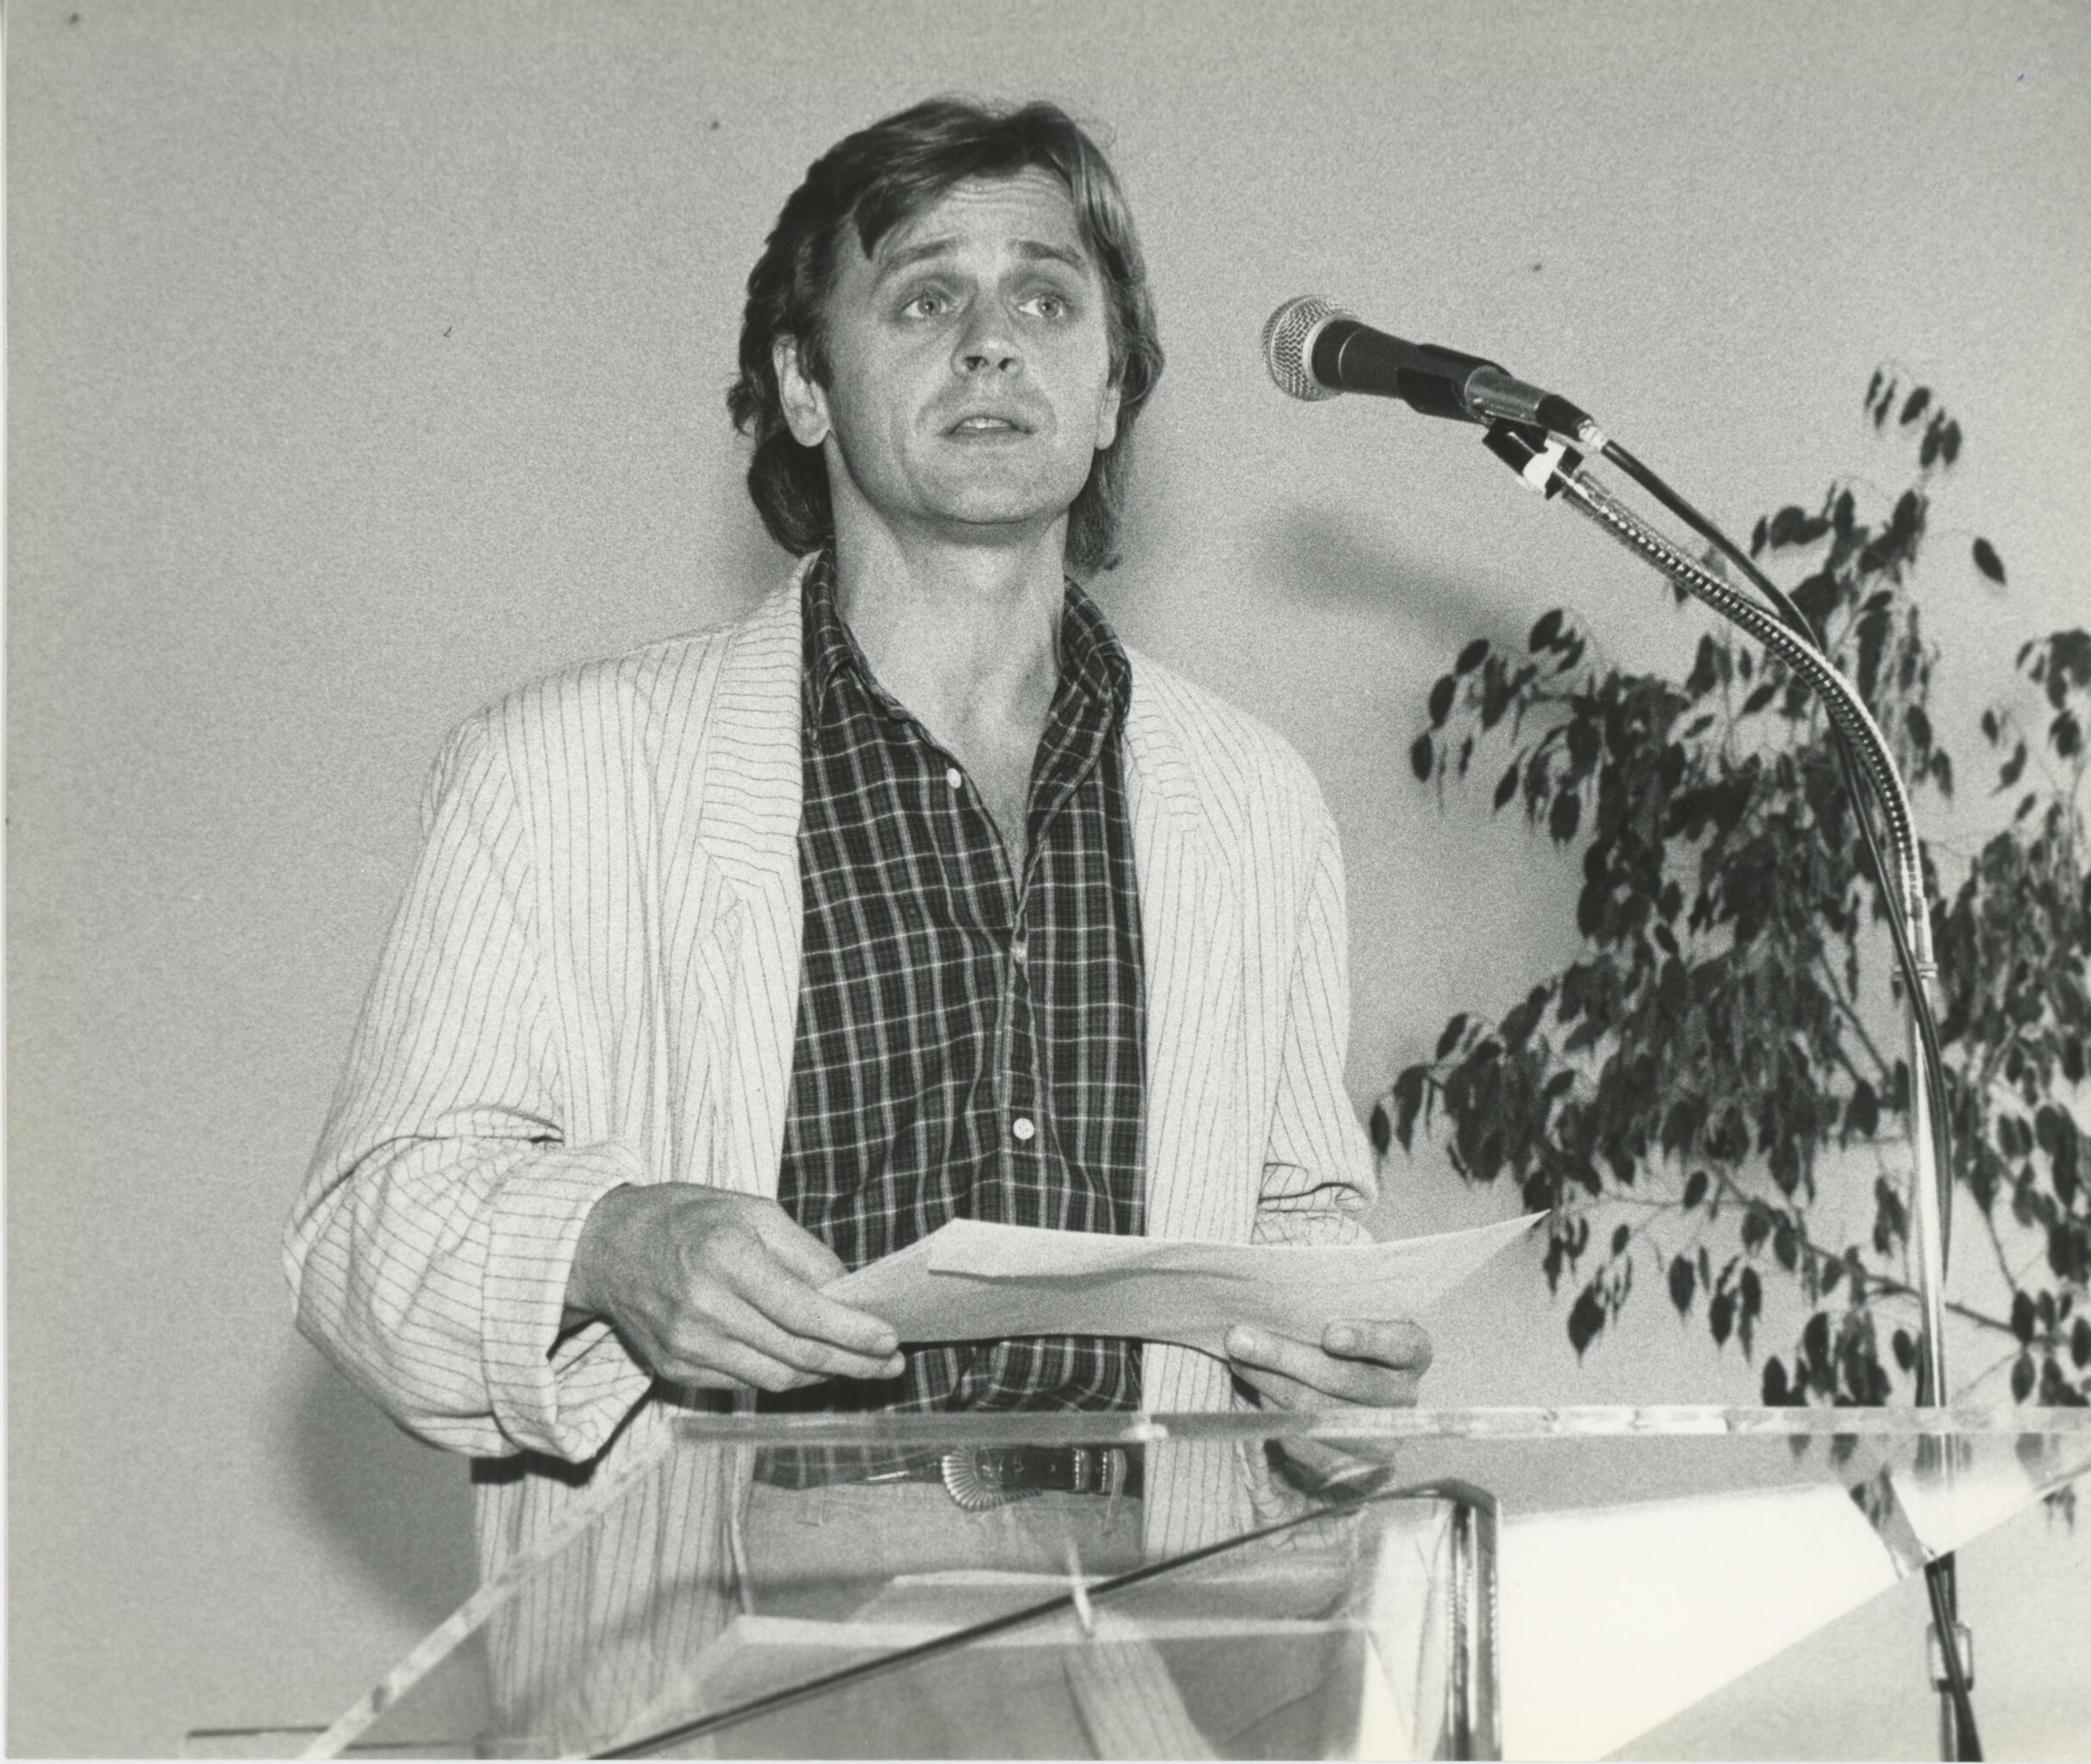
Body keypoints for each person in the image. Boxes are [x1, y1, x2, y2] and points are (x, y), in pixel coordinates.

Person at [286, 96, 1430, 1746]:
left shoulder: (1251, 801)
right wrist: (611, 1244)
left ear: (1112, 392)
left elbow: (1297, 1218)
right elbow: (363, 1230)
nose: (990, 345)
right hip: (717, 1655)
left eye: (1047, 300)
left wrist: (1332, 1385)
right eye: (919, 298)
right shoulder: (564, 770)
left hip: (1122, 1659)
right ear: (806, 386)